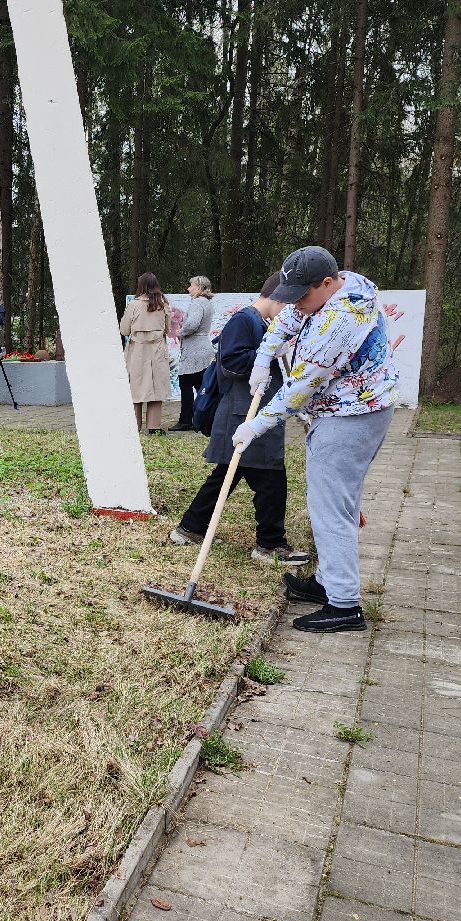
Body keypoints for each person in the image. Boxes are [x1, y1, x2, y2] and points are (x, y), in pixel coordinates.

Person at [232, 246, 399, 634]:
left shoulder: (340, 321)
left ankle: (343, 605)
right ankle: (328, 582)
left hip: (352, 415)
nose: (296, 304)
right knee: (335, 501)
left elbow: (300, 387)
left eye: (302, 295)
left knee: (331, 507)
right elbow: (288, 317)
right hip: (345, 410)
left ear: (327, 283)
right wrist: (264, 356)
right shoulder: (331, 290)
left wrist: (256, 425)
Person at [169, 272, 310, 567]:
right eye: (289, 306)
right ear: (277, 298)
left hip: (252, 412)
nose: (291, 314)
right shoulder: (244, 321)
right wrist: (268, 353)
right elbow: (230, 362)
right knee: (271, 478)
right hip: (243, 412)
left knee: (228, 475)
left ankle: (190, 528)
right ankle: (269, 545)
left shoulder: (262, 323)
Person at [120, 272, 172, 433]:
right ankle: (154, 426)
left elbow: (124, 330)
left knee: (135, 387)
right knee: (156, 387)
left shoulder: (134, 305)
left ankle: (133, 426)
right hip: (157, 349)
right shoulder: (163, 304)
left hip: (138, 350)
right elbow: (168, 329)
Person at [171, 276, 216, 431]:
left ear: (199, 287)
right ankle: (207, 417)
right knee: (201, 385)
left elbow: (192, 324)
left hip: (194, 350)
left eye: (191, 285)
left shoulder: (197, 303)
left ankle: (186, 421)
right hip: (203, 348)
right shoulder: (207, 304)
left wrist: (180, 332)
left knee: (185, 384)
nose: (188, 288)